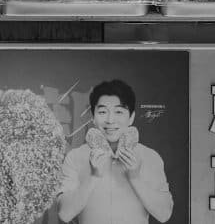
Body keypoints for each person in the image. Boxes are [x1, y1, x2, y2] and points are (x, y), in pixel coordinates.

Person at [58, 80, 173, 224]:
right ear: (93, 117)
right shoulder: (75, 157)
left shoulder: (150, 157)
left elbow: (164, 214)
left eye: (119, 111)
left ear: (131, 117)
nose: (110, 120)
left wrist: (135, 177)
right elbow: (64, 214)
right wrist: (93, 176)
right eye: (102, 112)